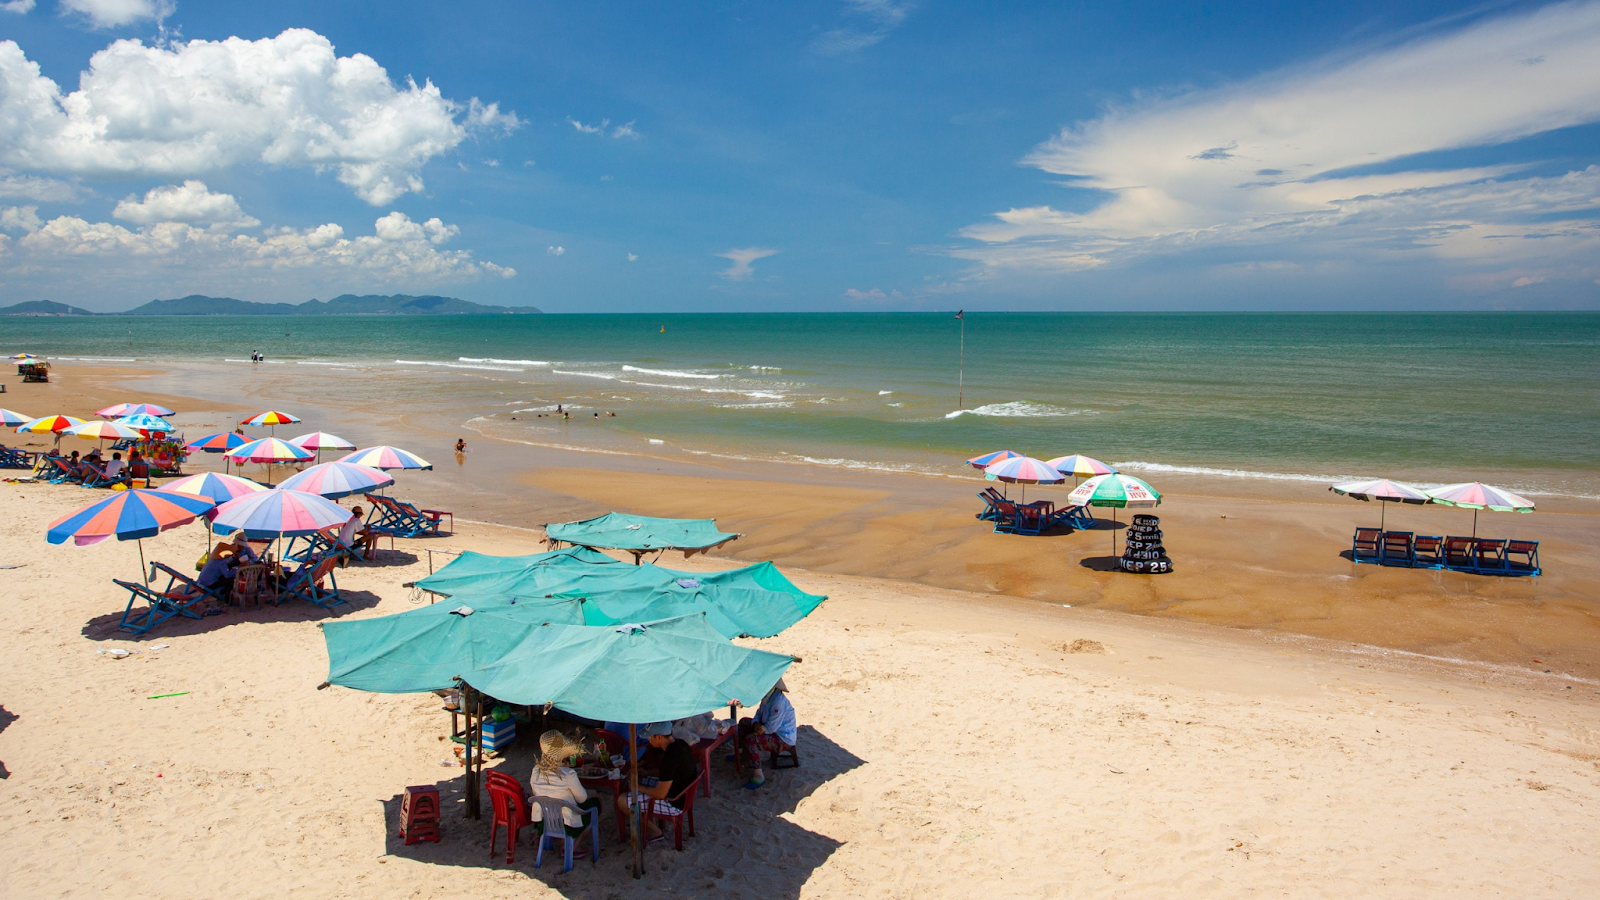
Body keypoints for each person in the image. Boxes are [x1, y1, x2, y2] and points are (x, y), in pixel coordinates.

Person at [614, 721, 699, 843]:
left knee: (622, 800)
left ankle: (655, 832)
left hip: (674, 803)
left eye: (650, 736)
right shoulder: (680, 744)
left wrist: (637, 787)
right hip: (683, 794)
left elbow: (660, 794)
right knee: (642, 781)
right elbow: (670, 773)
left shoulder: (669, 757)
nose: (648, 739)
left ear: (658, 737)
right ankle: (649, 820)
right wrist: (648, 773)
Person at [526, 730, 601, 853]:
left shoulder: (535, 771)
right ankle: (574, 844)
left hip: (544, 821)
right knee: (595, 804)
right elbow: (582, 798)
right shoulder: (568, 774)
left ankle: (557, 840)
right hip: (567, 823)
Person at [736, 678, 797, 790]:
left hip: (782, 737)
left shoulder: (778, 702)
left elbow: (772, 727)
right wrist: (755, 723)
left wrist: (761, 729)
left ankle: (759, 776)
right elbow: (759, 713)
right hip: (767, 727)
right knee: (744, 722)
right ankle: (744, 754)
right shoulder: (767, 697)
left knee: (751, 739)